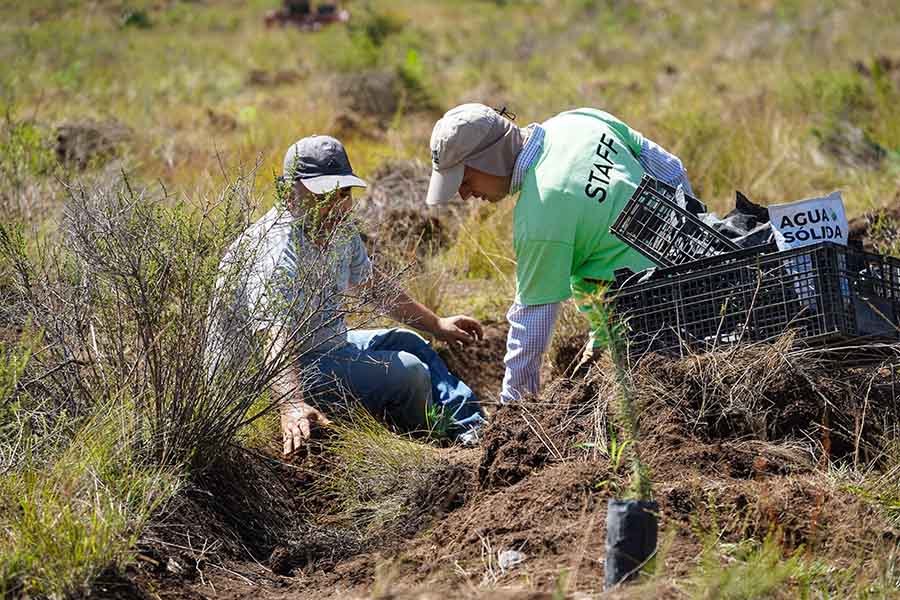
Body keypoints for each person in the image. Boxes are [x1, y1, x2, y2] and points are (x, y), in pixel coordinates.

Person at [220, 135, 485, 454]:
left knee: (409, 341)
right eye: (322, 195)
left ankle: (473, 429)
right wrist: (290, 405)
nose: (336, 205)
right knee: (408, 372)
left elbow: (373, 286)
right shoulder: (276, 253)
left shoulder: (338, 230)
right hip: (266, 378)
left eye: (343, 193)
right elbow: (274, 338)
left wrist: (437, 324)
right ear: (287, 192)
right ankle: (434, 445)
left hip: (321, 349)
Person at [424, 104, 693, 403]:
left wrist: (514, 406)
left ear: (490, 158)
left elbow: (532, 321)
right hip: (694, 269)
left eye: (465, 180)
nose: (464, 195)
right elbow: (671, 169)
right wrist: (693, 242)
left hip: (650, 326)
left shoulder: (541, 212)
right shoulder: (577, 121)